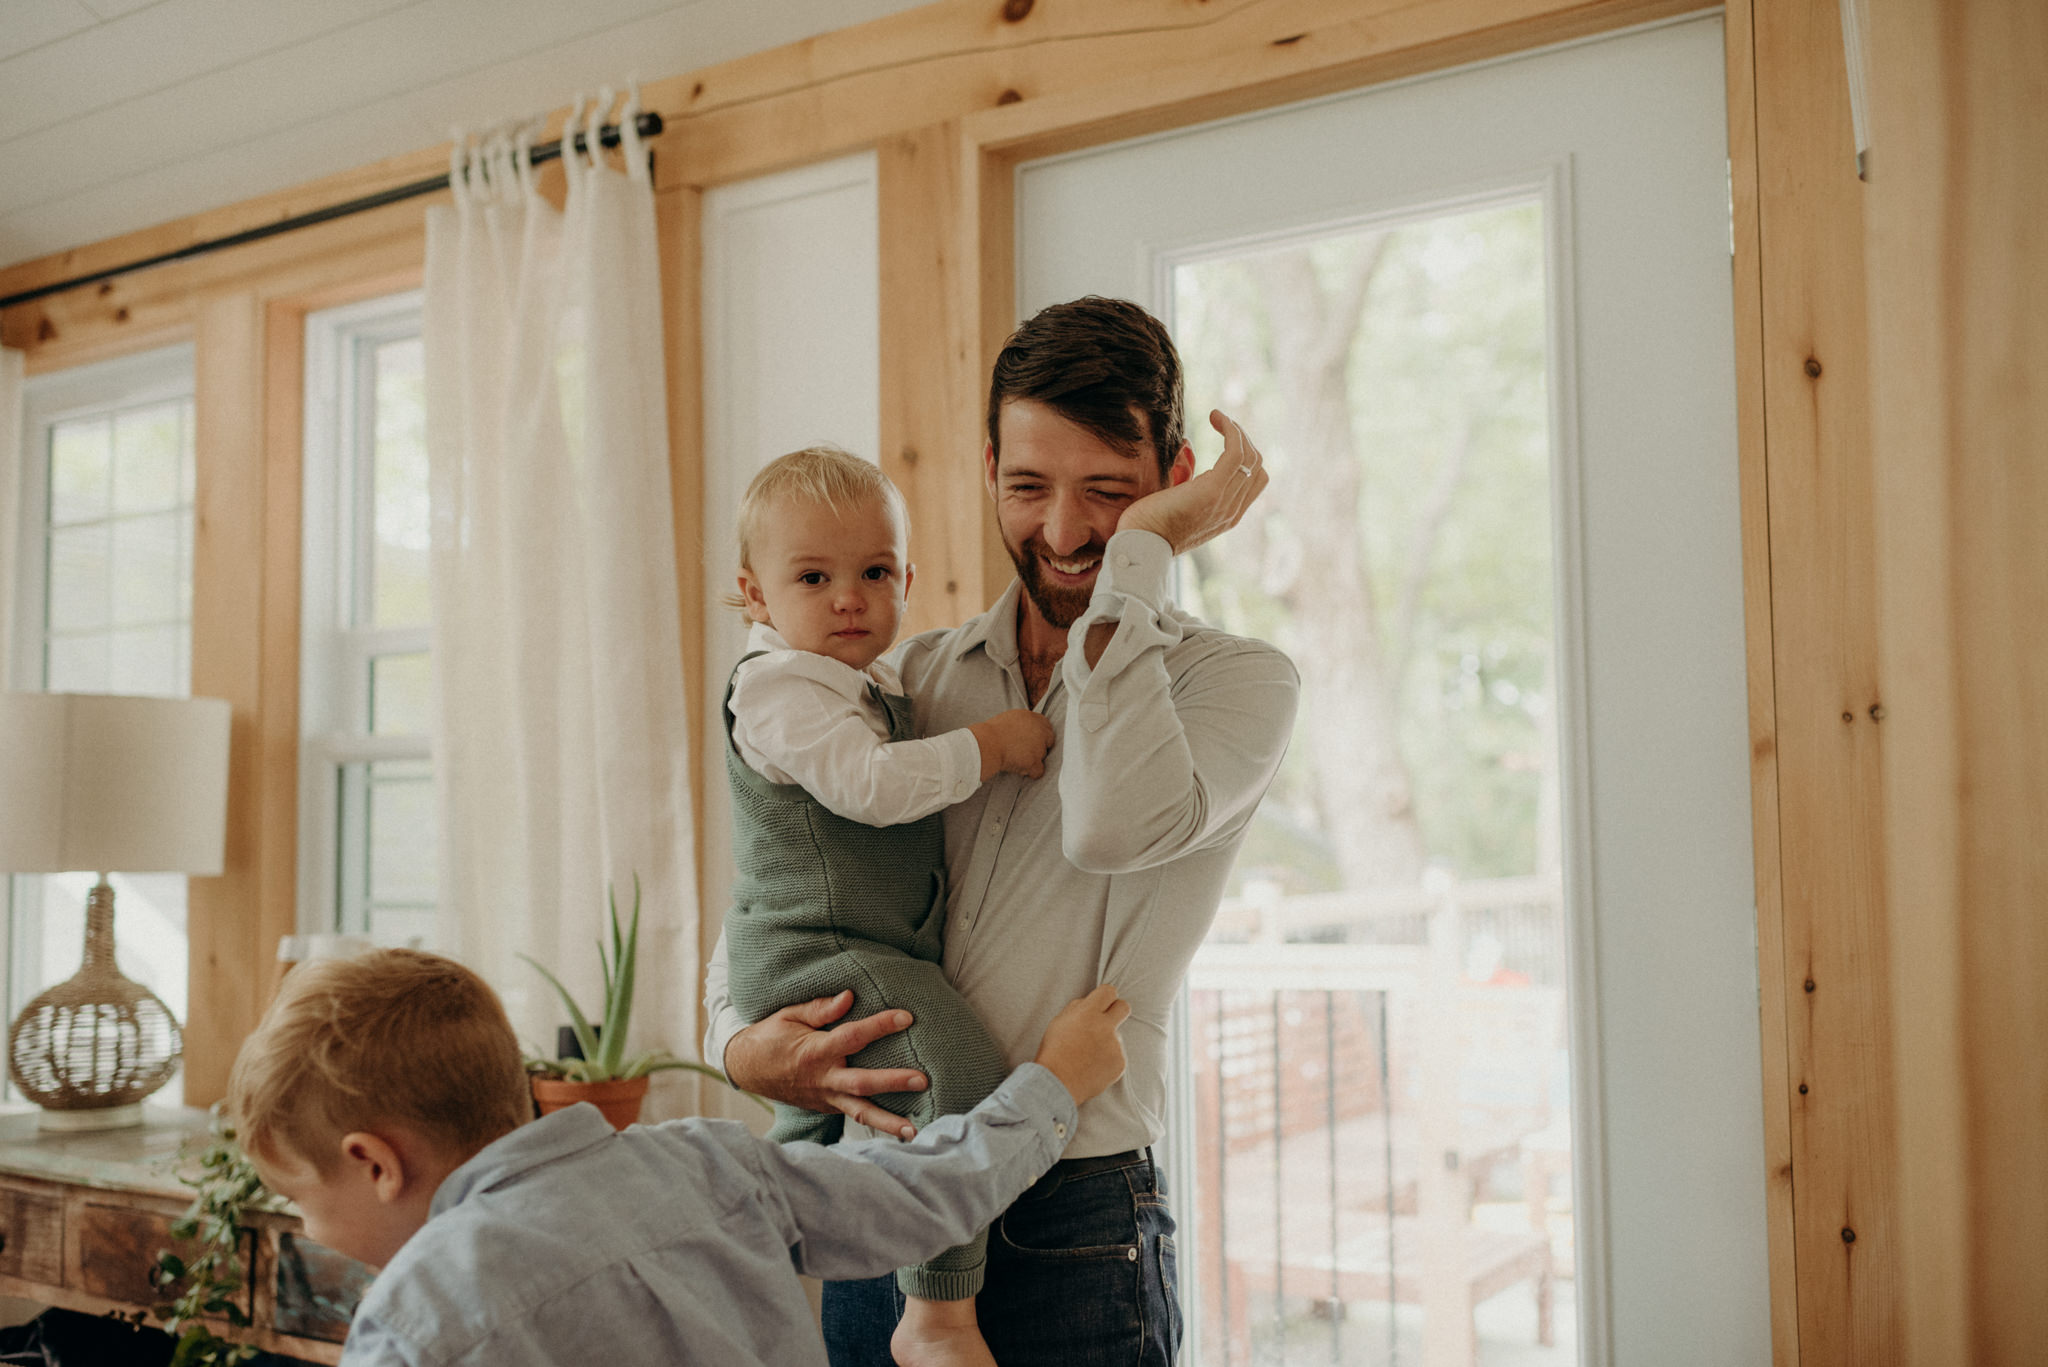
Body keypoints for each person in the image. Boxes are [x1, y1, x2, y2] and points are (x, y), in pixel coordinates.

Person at [703, 295, 1301, 1367]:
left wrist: (1144, 557)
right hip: (877, 1191)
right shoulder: (906, 679)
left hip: (1072, 1215)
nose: (1064, 533)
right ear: (986, 470)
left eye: (1109, 496)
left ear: (1171, 479)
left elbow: (1112, 826)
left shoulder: (1236, 686)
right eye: (1026, 487)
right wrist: (750, 1052)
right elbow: (778, 883)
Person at [224, 947, 1131, 1367]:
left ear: (375, 1161)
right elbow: (926, 1190)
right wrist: (1054, 1081)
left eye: (298, 1196)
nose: (308, 1226)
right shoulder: (707, 1163)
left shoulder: (415, 1325)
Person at [721, 444, 1057, 1366]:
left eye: (874, 572)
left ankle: (772, 1250)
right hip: (815, 944)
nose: (848, 597)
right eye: (813, 576)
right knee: (952, 1066)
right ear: (755, 595)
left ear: (907, 577)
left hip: (845, 938)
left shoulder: (872, 683)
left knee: (834, 1120)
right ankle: (938, 1310)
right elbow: (869, 786)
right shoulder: (781, 688)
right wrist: (987, 745)